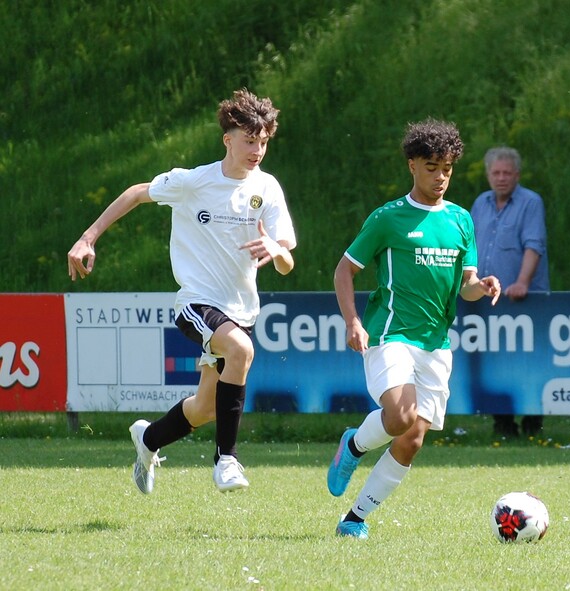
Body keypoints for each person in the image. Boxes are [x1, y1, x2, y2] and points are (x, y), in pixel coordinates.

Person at [67, 88, 296, 494]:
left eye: (263, 142)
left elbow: (286, 261)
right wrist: (88, 237)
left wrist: (277, 251)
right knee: (241, 351)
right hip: (196, 303)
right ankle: (227, 460)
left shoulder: (268, 188)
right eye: (249, 141)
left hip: (241, 311)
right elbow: (137, 193)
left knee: (205, 408)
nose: (257, 150)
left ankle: (148, 439)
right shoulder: (194, 181)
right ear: (228, 139)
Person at [327, 119, 501, 539]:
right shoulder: (388, 218)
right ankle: (354, 445)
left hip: (436, 343)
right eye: (431, 167)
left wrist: (482, 286)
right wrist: (352, 321)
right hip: (391, 334)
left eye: (447, 169)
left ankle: (355, 519)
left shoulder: (460, 220)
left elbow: (466, 285)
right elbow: (344, 270)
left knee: (413, 438)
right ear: (412, 166)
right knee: (401, 415)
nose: (440, 177)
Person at [470, 146, 549, 438]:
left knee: (531, 361)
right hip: (489, 299)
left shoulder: (531, 202)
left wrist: (522, 282)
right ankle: (502, 424)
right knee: (495, 362)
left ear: (517, 175)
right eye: (496, 173)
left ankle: (532, 424)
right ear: (488, 175)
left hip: (525, 299)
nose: (501, 178)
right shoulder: (480, 203)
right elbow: (468, 246)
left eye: (507, 173)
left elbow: (534, 245)